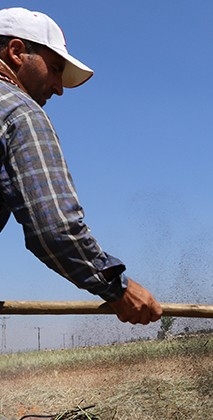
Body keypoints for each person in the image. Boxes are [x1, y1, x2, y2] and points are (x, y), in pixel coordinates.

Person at [0, 7, 162, 325]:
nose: (59, 87)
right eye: (55, 69)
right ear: (17, 51)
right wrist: (119, 288)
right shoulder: (20, 111)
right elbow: (55, 229)